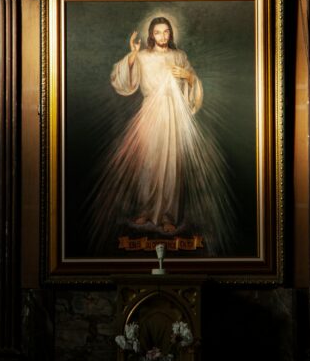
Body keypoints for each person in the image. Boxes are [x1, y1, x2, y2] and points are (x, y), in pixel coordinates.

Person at [87, 17, 238, 255]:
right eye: (158, 32)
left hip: (174, 114)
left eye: (166, 32)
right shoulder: (143, 57)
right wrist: (133, 55)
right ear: (151, 35)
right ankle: (146, 210)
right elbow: (124, 81)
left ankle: (168, 215)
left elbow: (193, 83)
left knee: (172, 164)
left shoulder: (180, 56)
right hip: (150, 112)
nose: (163, 36)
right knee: (148, 162)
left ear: (171, 34)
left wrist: (189, 78)